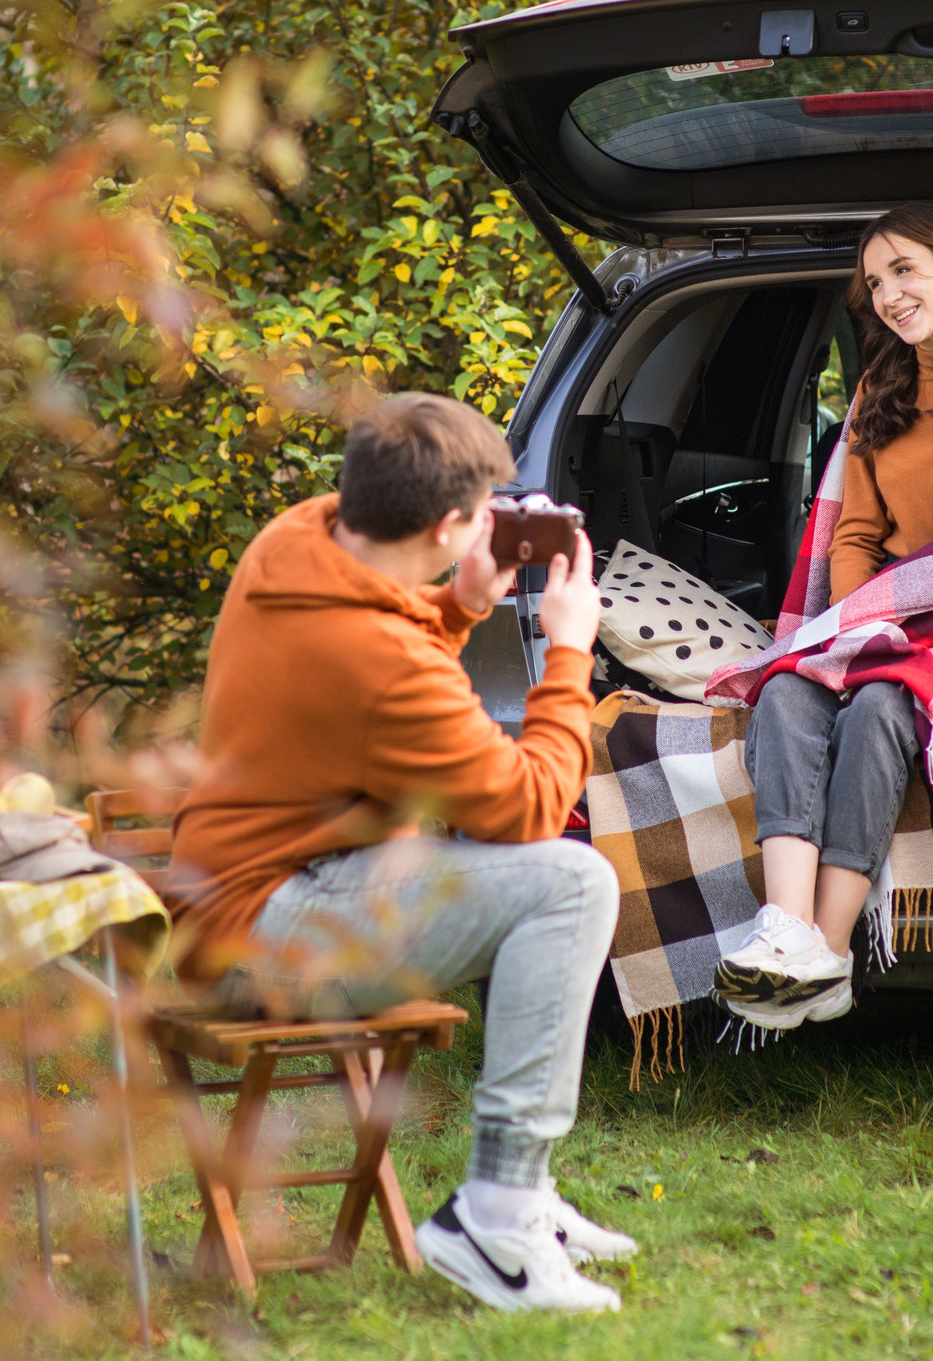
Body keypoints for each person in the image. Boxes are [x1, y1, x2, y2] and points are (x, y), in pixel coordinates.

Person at [173, 391, 631, 1314]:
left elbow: (375, 664)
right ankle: (495, 1213)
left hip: (241, 892)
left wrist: (458, 608)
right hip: (259, 938)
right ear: (453, 524)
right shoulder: (382, 659)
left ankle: (521, 1194)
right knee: (572, 883)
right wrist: (570, 650)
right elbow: (533, 807)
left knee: (561, 885)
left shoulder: (295, 540)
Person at [713, 202, 933, 1031]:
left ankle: (830, 948)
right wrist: (855, 625)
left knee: (884, 704)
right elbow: (854, 532)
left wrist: (903, 637)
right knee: (785, 689)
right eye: (875, 282)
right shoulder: (879, 392)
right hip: (883, 617)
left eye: (904, 271)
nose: (888, 293)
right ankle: (785, 930)